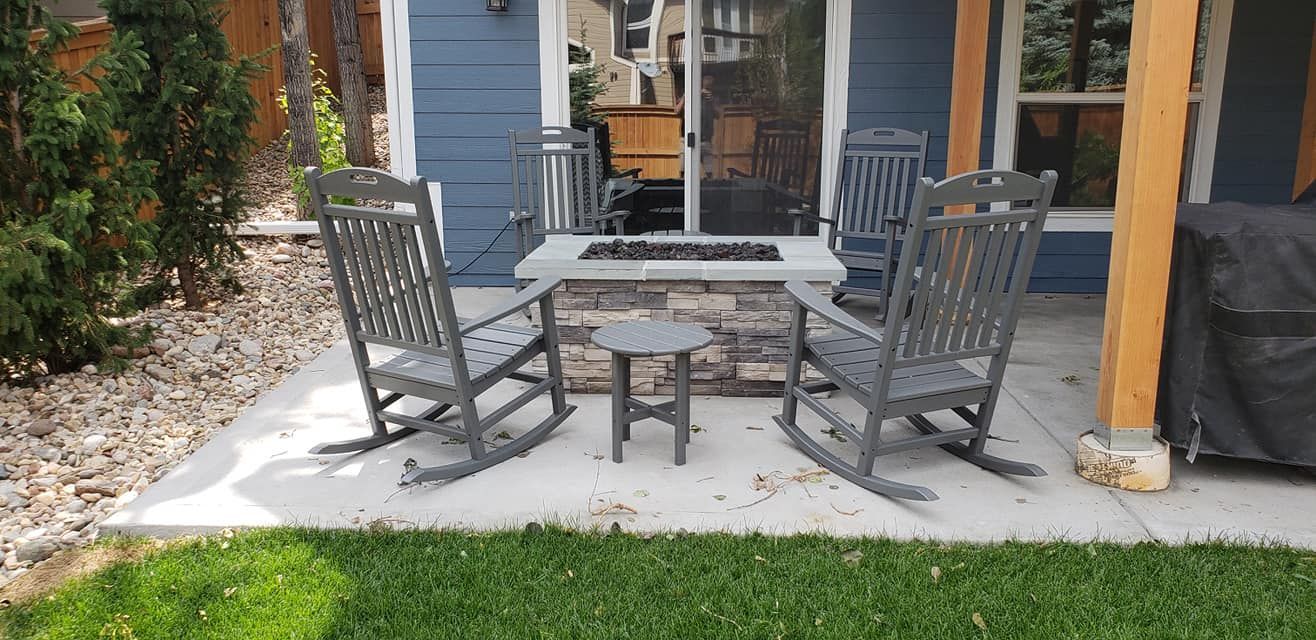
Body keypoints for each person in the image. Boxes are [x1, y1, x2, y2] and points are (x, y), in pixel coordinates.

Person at [674, 74, 717, 178]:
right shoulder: (688, 97)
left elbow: (718, 115)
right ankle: (683, 191)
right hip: (687, 138)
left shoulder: (709, 99)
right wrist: (685, 96)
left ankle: (709, 190)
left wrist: (711, 102)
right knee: (683, 171)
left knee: (709, 172)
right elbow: (676, 111)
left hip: (705, 139)